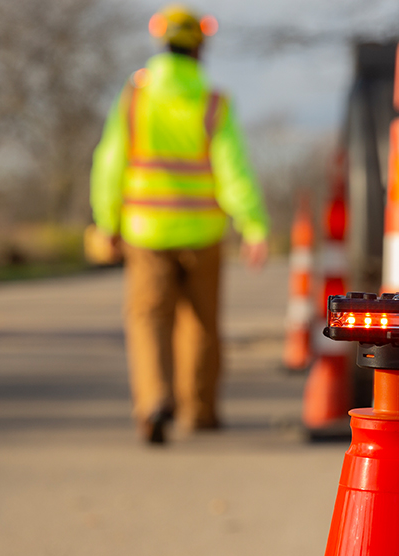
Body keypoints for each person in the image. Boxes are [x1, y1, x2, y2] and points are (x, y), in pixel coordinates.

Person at [90, 4, 269, 445]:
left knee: (149, 319)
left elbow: (109, 162)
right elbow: (234, 171)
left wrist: (106, 221)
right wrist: (253, 226)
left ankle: (154, 400)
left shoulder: (135, 97)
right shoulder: (214, 103)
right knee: (203, 325)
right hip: (203, 234)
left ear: (159, 42)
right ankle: (201, 410)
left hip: (145, 232)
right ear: (200, 48)